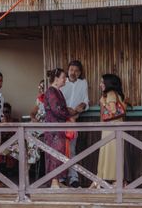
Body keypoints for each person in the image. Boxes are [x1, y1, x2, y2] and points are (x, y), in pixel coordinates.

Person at [43, 68, 76, 188]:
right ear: (56, 79)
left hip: (58, 127)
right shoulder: (51, 91)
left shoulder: (58, 91)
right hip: (54, 129)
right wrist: (69, 116)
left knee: (61, 153)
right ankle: (54, 181)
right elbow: (57, 109)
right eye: (63, 77)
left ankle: (57, 180)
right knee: (55, 153)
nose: (65, 80)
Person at [59, 60, 89, 188]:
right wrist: (67, 109)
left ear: (80, 72)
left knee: (71, 149)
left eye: (76, 71)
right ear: (68, 70)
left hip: (73, 120)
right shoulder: (62, 83)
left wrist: (83, 105)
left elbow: (86, 100)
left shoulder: (83, 83)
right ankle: (59, 178)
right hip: (60, 119)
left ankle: (73, 178)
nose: (73, 72)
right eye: (71, 70)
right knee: (59, 148)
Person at [93, 74, 126, 186]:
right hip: (115, 127)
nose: (100, 84)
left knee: (110, 154)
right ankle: (113, 180)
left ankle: (112, 180)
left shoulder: (110, 94)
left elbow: (112, 111)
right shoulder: (115, 94)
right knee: (113, 153)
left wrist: (103, 102)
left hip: (111, 128)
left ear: (108, 83)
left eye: (102, 82)